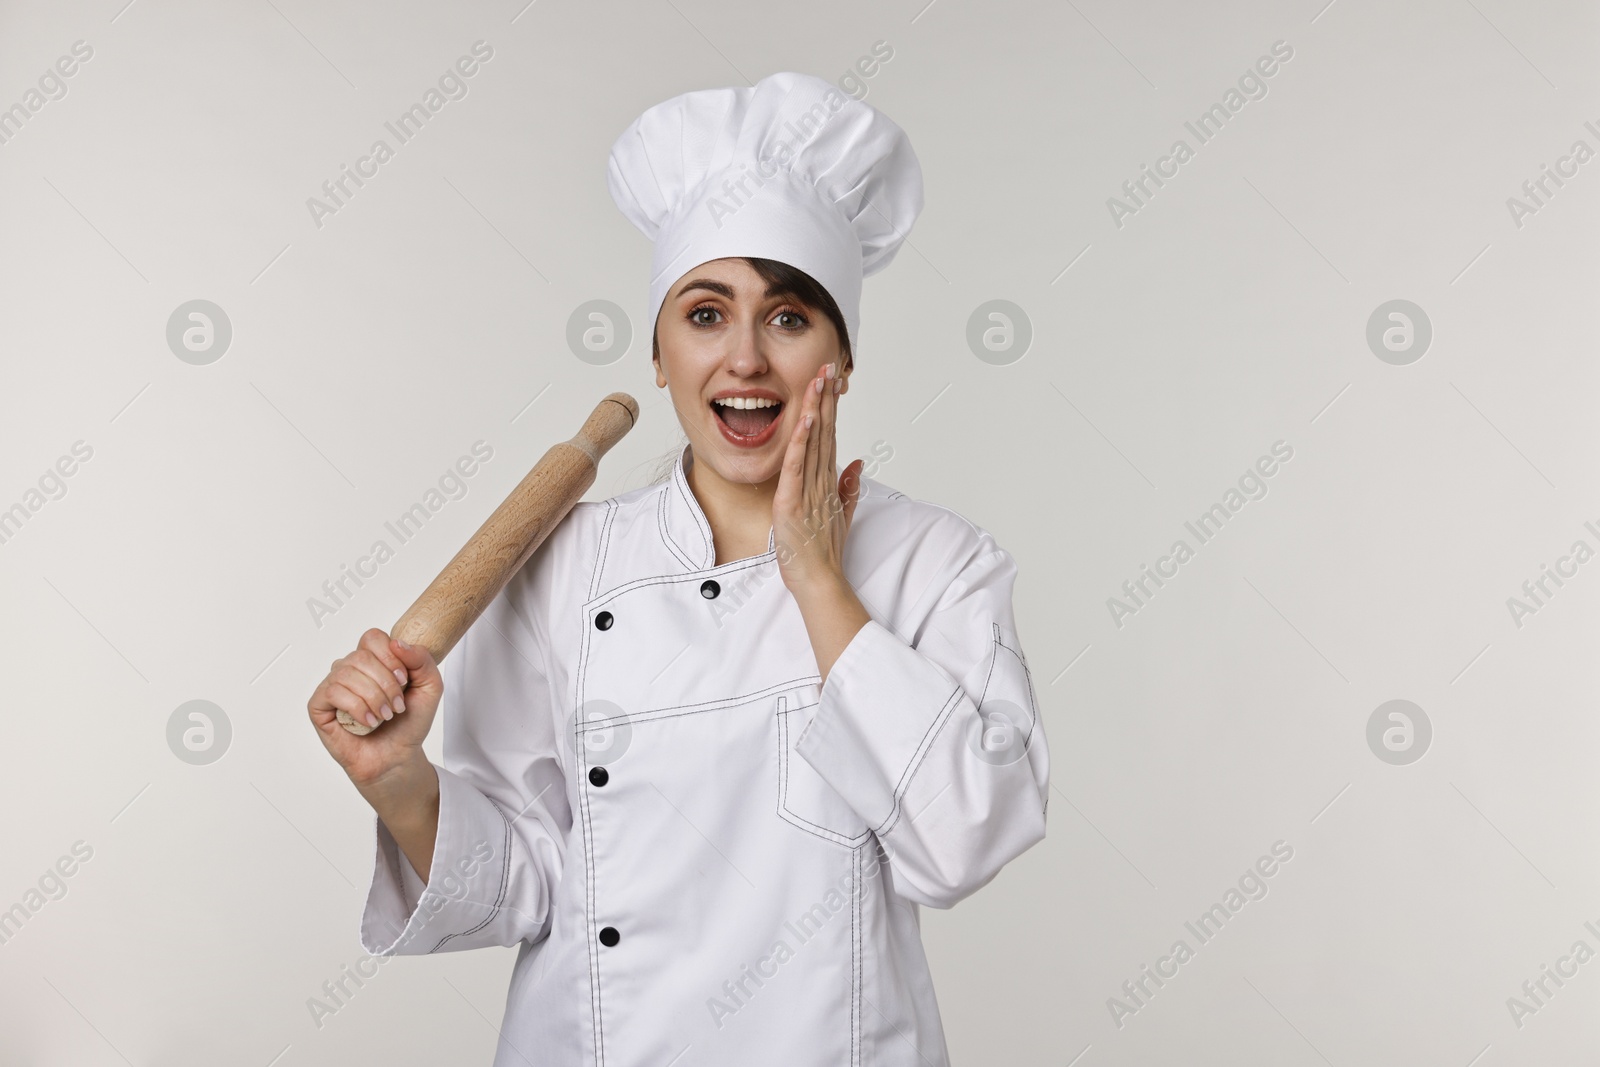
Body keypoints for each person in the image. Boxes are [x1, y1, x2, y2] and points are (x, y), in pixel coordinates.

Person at [306, 71, 1050, 1066]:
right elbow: (523, 880)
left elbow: (964, 840)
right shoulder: (563, 564)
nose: (743, 358)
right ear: (659, 352)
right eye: (704, 314)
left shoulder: (934, 562)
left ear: (843, 352)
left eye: (788, 317)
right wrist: (398, 779)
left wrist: (819, 581)